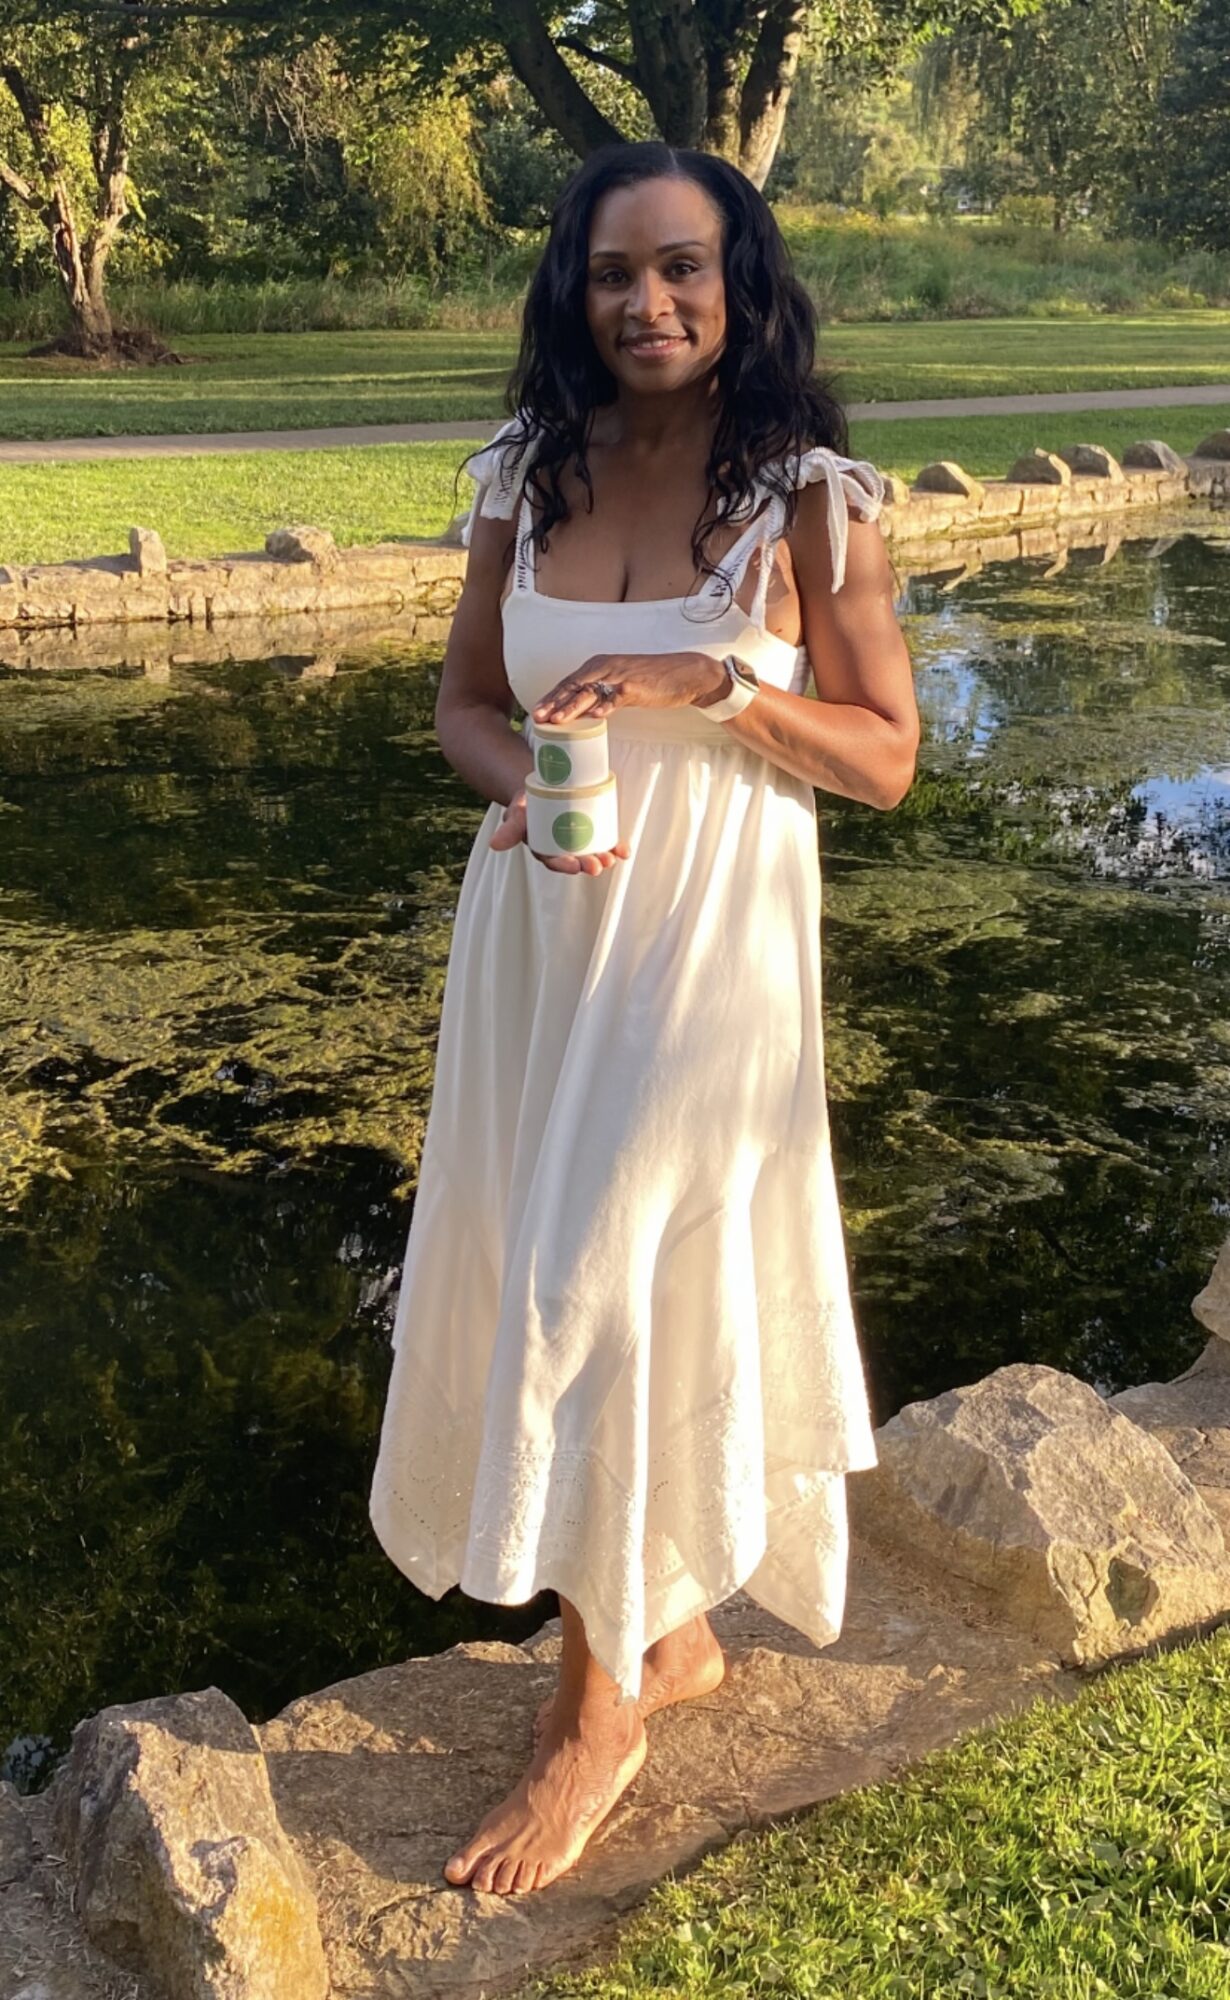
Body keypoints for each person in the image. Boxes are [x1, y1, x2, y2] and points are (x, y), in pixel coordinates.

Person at [369, 139, 919, 1899]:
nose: (649, 302)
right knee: (556, 1254)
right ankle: (666, 1633)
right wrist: (516, 796)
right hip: (537, 935)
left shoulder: (815, 501)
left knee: (605, 1278)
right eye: (614, 273)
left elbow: (889, 759)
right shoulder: (522, 473)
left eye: (683, 267)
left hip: (706, 961)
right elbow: (468, 706)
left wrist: (722, 683)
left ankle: (592, 1717)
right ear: (572, 292)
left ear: (741, 279)